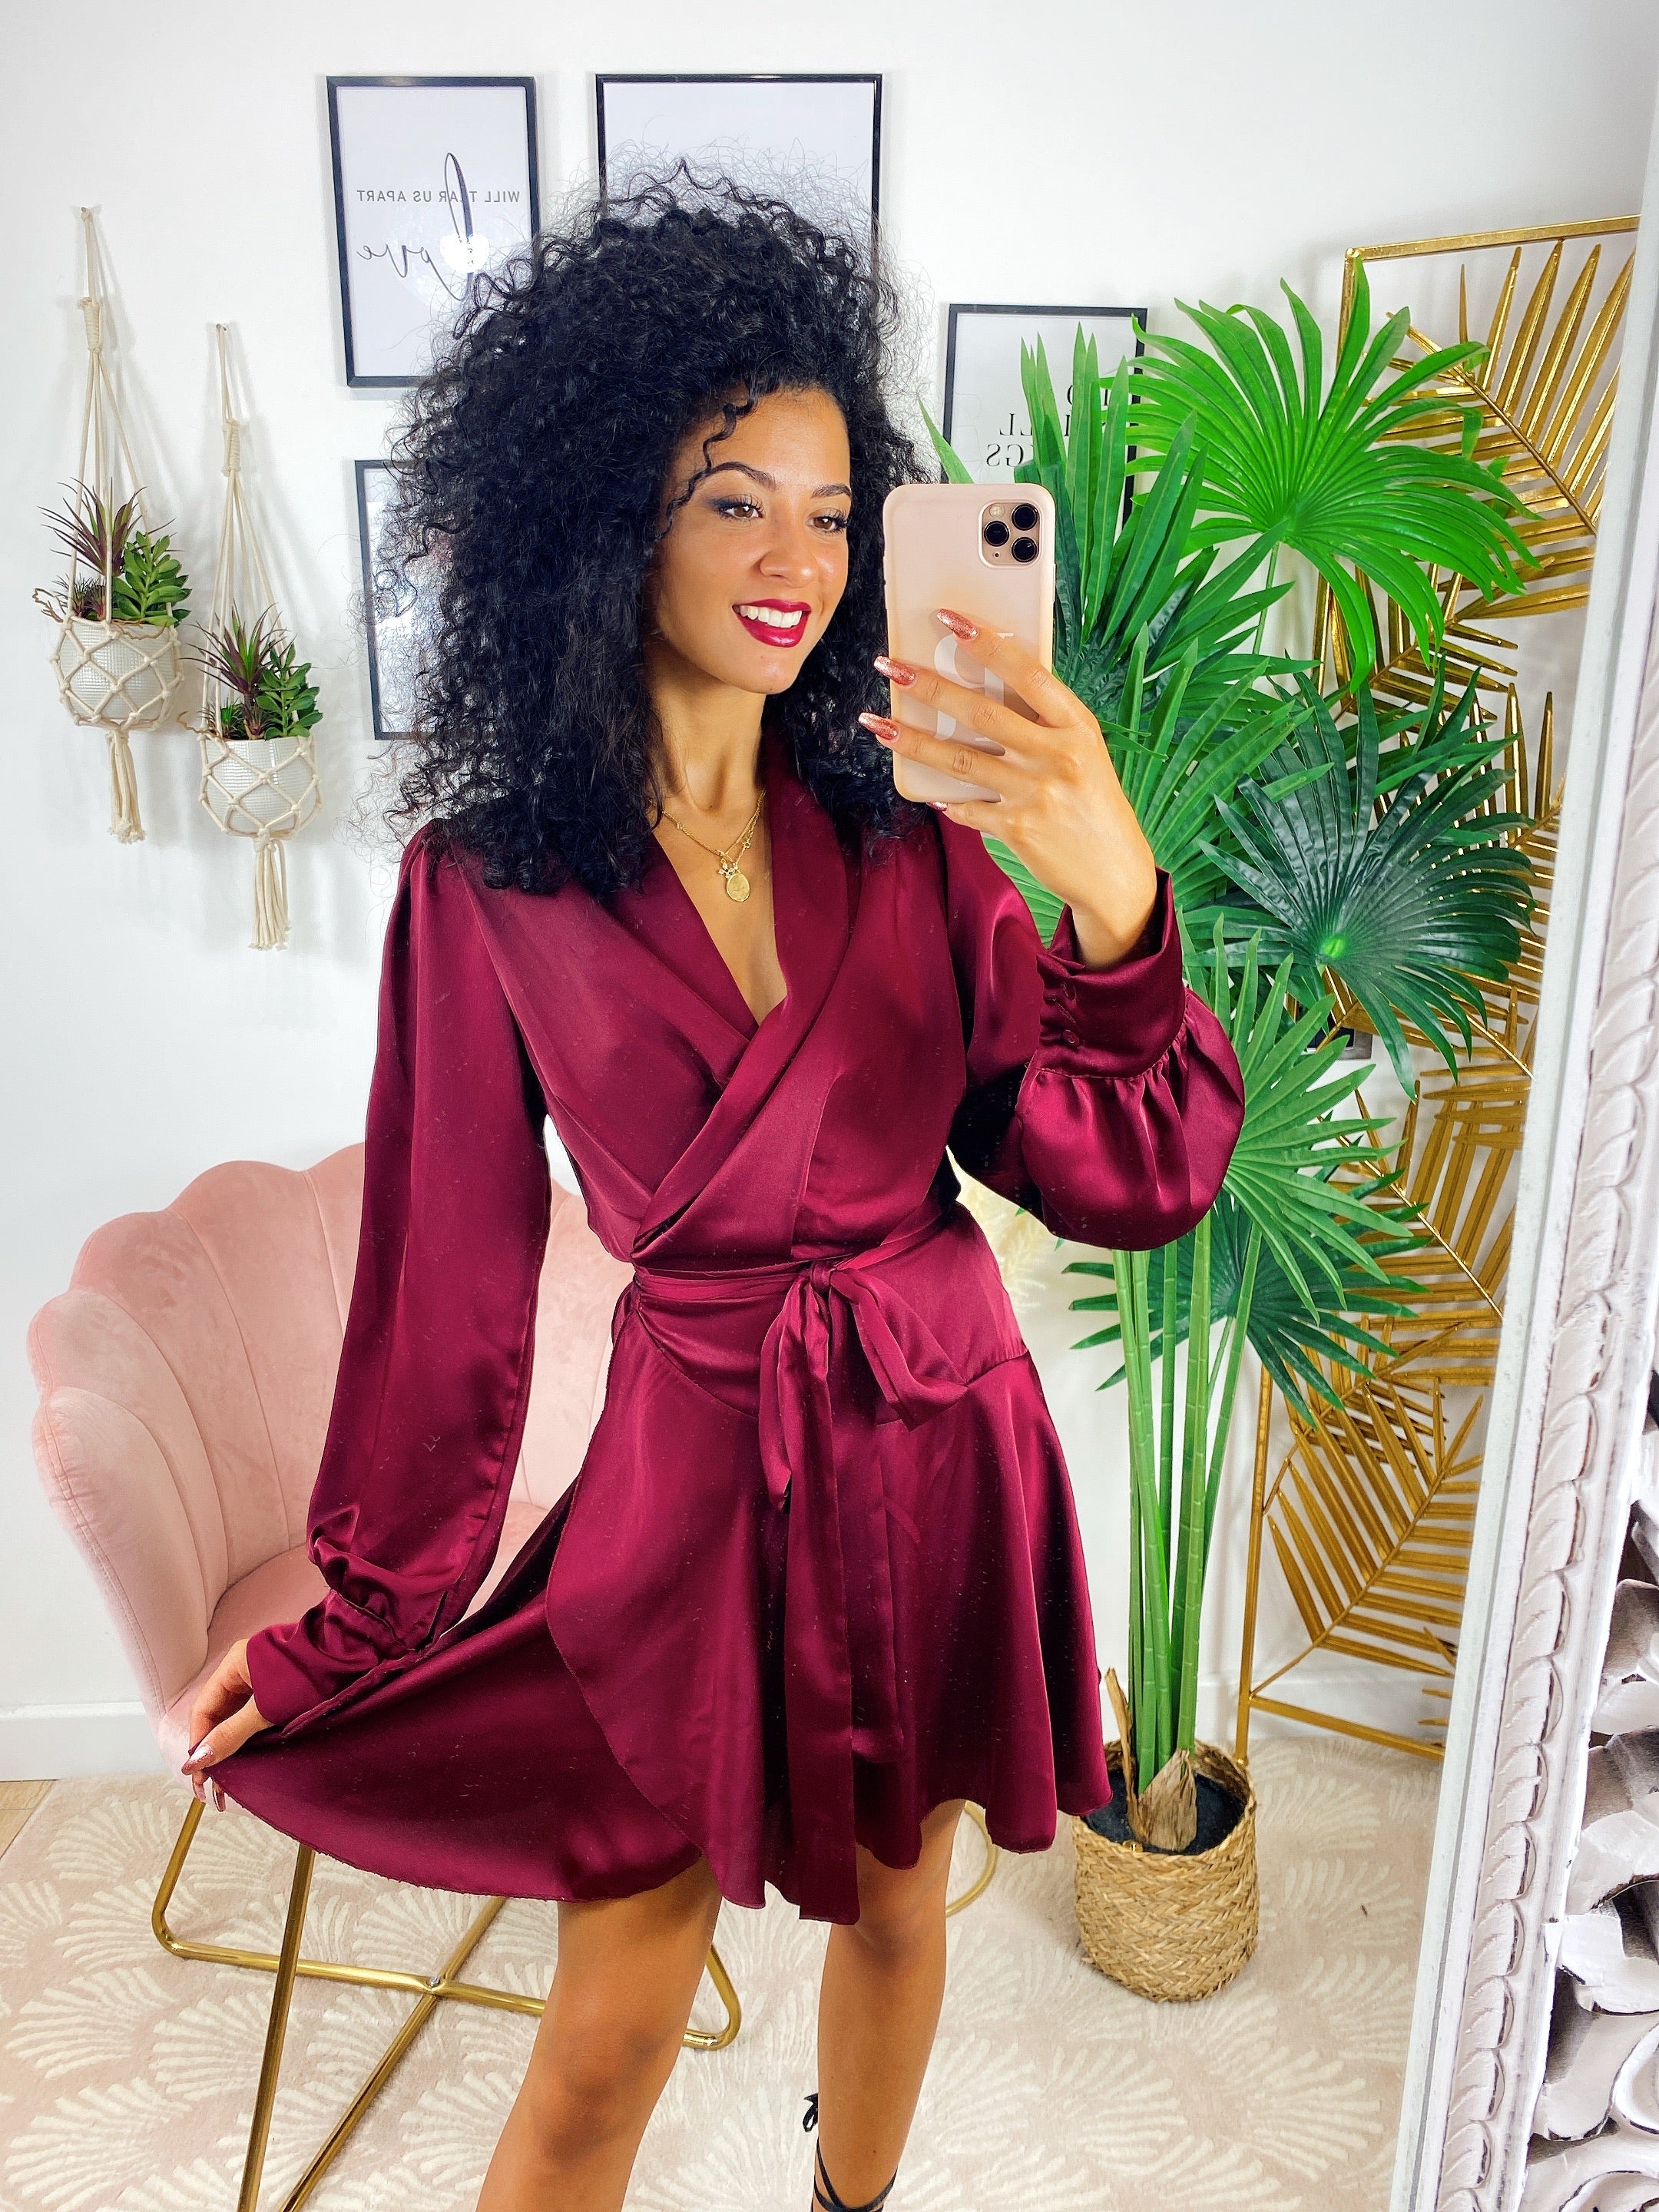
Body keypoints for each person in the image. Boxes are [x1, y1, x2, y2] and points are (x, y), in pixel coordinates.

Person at [180, 172, 1245, 2212]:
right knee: (609, 2035)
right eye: (735, 499)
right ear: (607, 513)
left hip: (939, 1432)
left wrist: (1116, 897)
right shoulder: (487, 888)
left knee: (903, 1916)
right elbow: (445, 1289)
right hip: (696, 1479)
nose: (798, 563)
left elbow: (1119, 1175)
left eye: (835, 515)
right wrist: (361, 1618)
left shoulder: (916, 843)